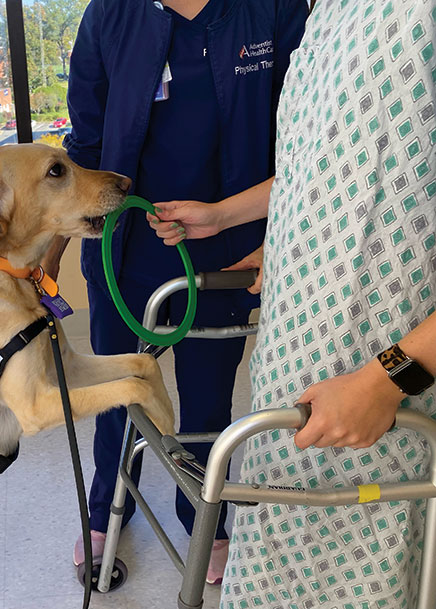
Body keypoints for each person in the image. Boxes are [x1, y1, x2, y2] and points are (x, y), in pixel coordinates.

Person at [153, 0, 436, 605]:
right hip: (292, 380)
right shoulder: (327, 14)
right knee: (272, 570)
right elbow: (325, 162)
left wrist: (386, 382)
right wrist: (265, 230)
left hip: (384, 402)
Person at [46, 0, 309, 584]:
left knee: (208, 400)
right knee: (117, 394)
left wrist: (276, 240)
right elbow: (85, 147)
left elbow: (305, 141)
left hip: (227, 255)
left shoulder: (273, 11)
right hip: (125, 254)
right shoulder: (110, 15)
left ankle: (203, 517)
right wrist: (44, 261)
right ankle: (102, 513)